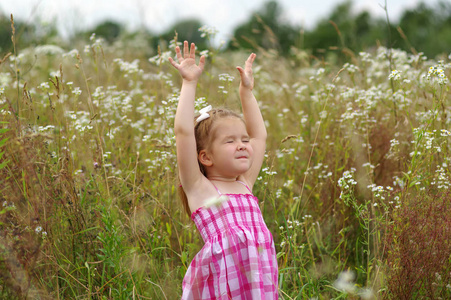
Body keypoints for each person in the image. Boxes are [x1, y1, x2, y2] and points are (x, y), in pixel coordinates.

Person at [169, 41, 278, 299]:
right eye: (230, 141)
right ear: (205, 157)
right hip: (222, 288)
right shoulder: (200, 188)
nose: (242, 145)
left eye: (243, 139)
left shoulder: (245, 183)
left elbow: (259, 135)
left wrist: (246, 93)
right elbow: (183, 132)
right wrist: (189, 83)